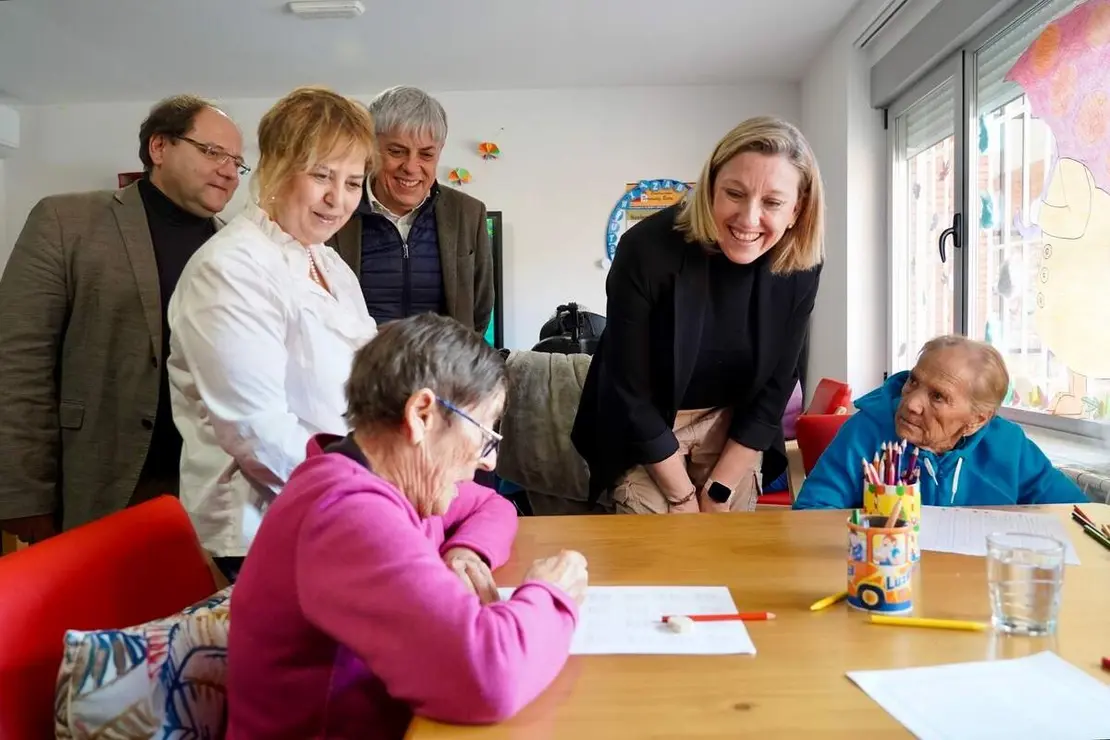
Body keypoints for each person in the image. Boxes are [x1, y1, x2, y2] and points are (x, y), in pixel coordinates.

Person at [227, 313, 588, 739]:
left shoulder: (384, 480)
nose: (489, 460)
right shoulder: (345, 516)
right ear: (421, 415)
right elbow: (488, 678)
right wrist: (551, 595)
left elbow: (494, 506)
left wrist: (466, 550)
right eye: (485, 433)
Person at [0, 95, 244, 542]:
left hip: (203, 491)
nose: (229, 171)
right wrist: (23, 496)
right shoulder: (65, 220)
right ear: (159, 148)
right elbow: (17, 363)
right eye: (213, 152)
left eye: (236, 161)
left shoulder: (235, 249)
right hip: (100, 479)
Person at [168, 87, 378, 582]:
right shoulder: (230, 267)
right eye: (322, 175)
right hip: (260, 530)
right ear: (278, 166)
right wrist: (373, 493)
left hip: (342, 507)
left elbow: (369, 374)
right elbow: (257, 432)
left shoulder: (327, 261)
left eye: (352, 182)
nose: (339, 198)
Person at [572, 116, 825, 515]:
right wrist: (683, 497)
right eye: (734, 193)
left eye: (773, 203)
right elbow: (627, 389)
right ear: (709, 188)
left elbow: (777, 385)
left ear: (797, 209)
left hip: (733, 426)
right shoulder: (646, 248)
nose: (748, 218)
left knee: (724, 553)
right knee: (657, 555)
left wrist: (718, 491)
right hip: (646, 422)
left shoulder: (802, 266)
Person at [793, 335, 1086, 509]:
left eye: (937, 396)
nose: (911, 403)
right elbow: (813, 510)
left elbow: (1073, 512)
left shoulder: (1009, 446)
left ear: (977, 420)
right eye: (913, 381)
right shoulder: (865, 432)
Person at [331, 85, 494, 333]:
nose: (411, 167)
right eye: (397, 151)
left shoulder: (469, 213)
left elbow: (480, 312)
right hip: (358, 368)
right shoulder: (336, 209)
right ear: (371, 148)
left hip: (444, 369)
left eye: (426, 155)